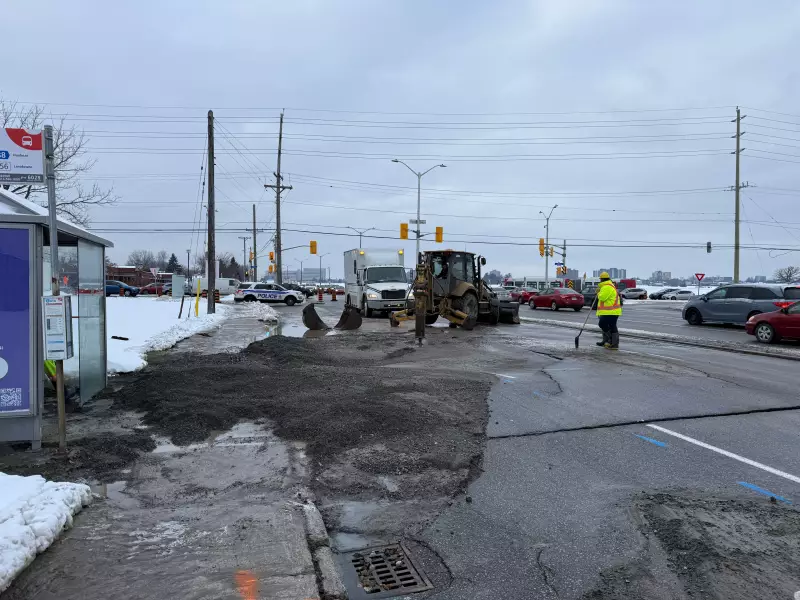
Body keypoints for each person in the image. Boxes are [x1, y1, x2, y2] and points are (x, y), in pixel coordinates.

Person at [595, 272, 622, 349]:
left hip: (610, 311)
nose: (600, 280)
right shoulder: (608, 286)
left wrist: (598, 293)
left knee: (602, 324)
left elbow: (602, 298)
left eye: (600, 279)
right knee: (611, 326)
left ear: (602, 279)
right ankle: (607, 342)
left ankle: (612, 342)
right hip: (611, 311)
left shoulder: (607, 287)